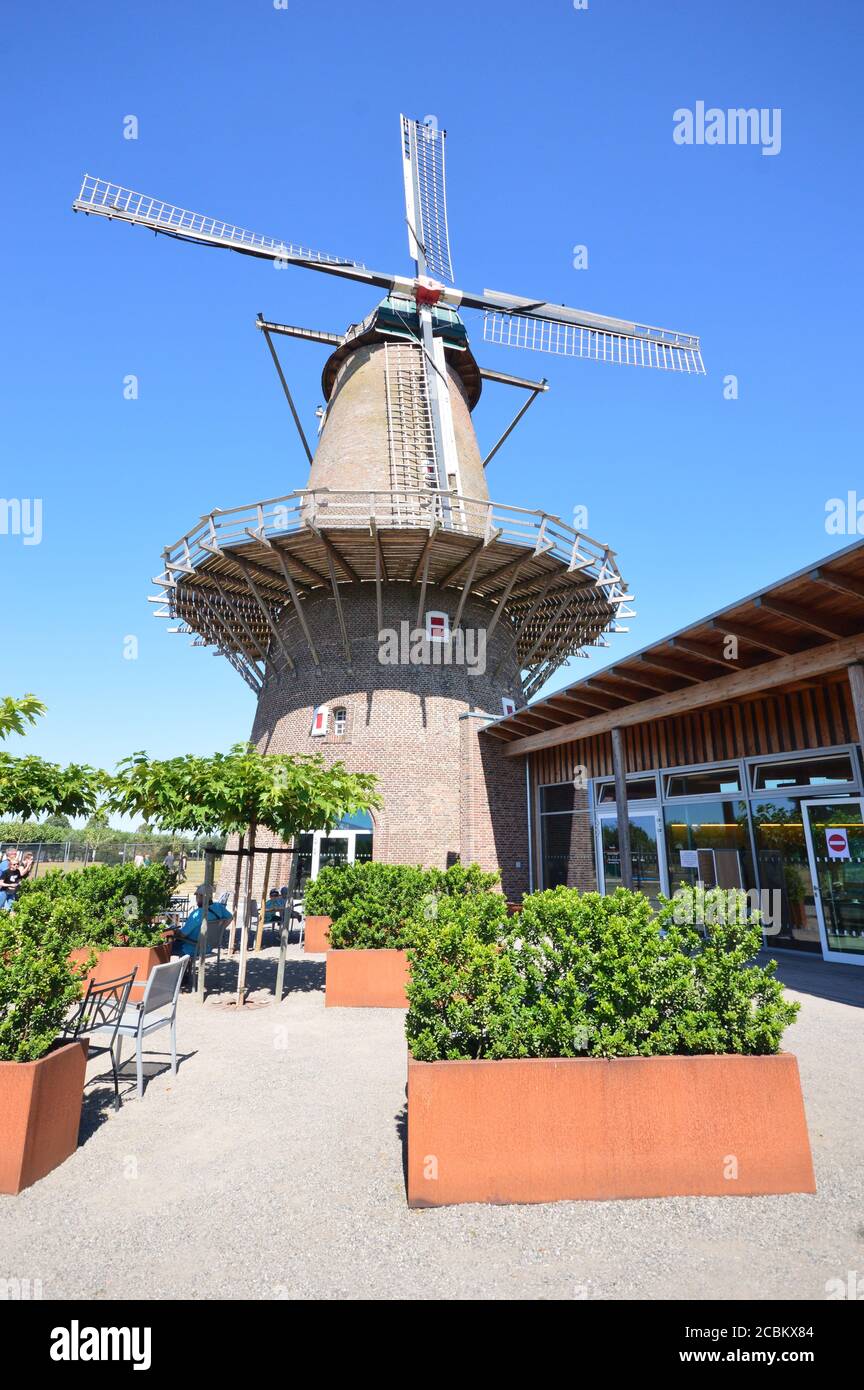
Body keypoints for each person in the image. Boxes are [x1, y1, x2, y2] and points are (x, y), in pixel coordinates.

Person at [172, 886, 233, 970]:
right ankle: (186, 972)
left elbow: (183, 935)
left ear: (201, 896)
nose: (196, 898)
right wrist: (220, 930)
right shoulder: (219, 907)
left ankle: (175, 975)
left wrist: (175, 931)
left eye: (196, 895)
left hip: (194, 947)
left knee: (166, 947)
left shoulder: (197, 914)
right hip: (209, 946)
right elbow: (230, 918)